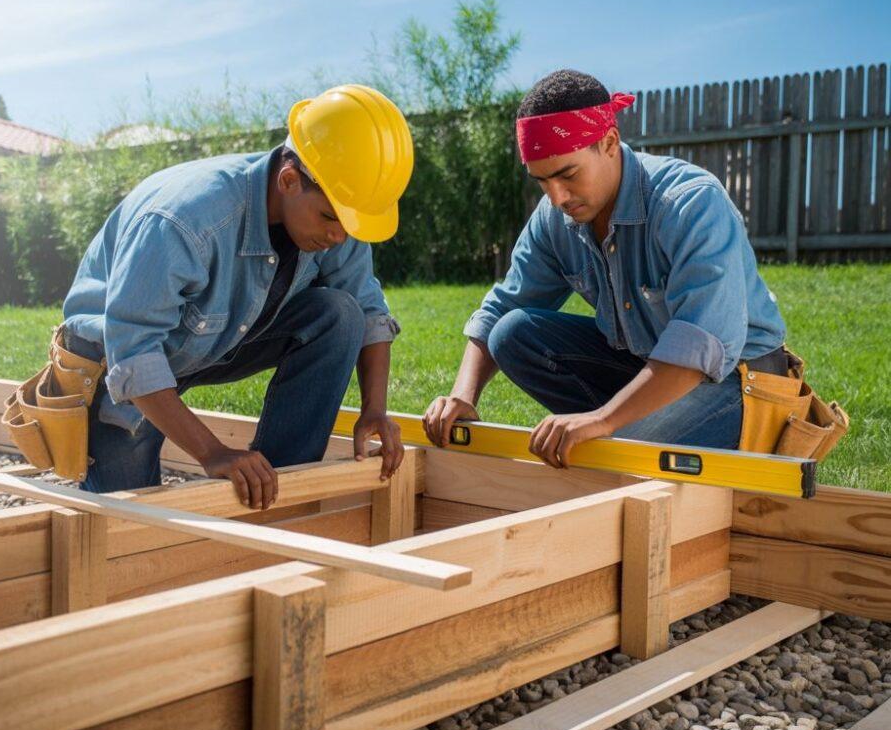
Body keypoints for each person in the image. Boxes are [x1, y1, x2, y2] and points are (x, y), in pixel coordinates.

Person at [62, 84, 412, 506]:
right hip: (114, 358)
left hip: (215, 335)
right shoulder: (185, 222)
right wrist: (213, 453)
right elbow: (132, 353)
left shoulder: (335, 217)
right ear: (289, 180)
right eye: (329, 219)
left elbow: (369, 311)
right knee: (126, 520)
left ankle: (278, 490)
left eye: (350, 225)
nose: (339, 237)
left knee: (340, 315)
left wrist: (375, 409)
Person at [424, 68, 789, 469]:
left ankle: (620, 428)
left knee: (619, 452)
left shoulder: (690, 203)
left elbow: (699, 348)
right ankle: (620, 424)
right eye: (542, 181)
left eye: (568, 174)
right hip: (646, 364)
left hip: (738, 381)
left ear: (610, 143)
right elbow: (503, 308)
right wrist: (462, 396)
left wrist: (603, 419)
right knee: (513, 333)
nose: (557, 197)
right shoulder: (555, 216)